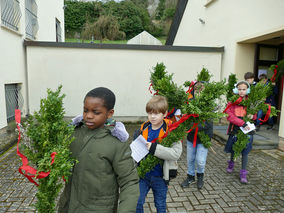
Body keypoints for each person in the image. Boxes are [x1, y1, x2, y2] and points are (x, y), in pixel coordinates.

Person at [58, 87, 139, 213]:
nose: (88, 116)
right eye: (85, 110)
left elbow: (129, 181)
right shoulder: (73, 133)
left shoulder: (116, 143)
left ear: (110, 113)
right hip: (69, 206)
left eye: (96, 112)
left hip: (98, 208)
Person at [135, 95, 182, 213]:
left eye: (156, 113)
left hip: (160, 177)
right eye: (150, 113)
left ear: (165, 113)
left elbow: (176, 153)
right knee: (137, 202)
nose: (152, 116)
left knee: (160, 204)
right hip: (143, 175)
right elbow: (135, 149)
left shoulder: (171, 130)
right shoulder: (144, 128)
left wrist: (154, 148)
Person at [180, 81, 213, 190]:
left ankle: (200, 177)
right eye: (196, 91)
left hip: (203, 138)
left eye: (201, 91)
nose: (198, 93)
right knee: (190, 158)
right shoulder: (190, 104)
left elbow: (207, 123)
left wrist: (193, 126)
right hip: (191, 137)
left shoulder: (209, 105)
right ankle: (190, 177)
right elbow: (186, 119)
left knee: (200, 160)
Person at [224, 81, 255, 184]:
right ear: (237, 90)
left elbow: (255, 114)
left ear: (248, 90)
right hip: (236, 129)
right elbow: (229, 115)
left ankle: (243, 173)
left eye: (244, 89)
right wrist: (242, 123)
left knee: (245, 152)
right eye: (240, 89)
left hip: (247, 131)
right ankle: (231, 163)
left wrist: (252, 116)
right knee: (234, 148)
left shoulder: (250, 102)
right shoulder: (232, 102)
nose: (242, 91)